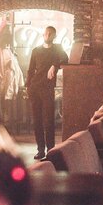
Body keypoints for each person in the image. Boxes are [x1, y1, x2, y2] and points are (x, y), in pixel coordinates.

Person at [26, 25, 69, 160]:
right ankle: (40, 150)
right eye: (46, 33)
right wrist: (28, 87)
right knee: (37, 121)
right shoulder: (36, 50)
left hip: (47, 89)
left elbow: (65, 59)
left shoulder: (57, 49)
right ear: (43, 34)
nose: (48, 35)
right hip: (34, 88)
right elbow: (30, 70)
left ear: (54, 36)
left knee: (49, 120)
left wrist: (54, 66)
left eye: (51, 34)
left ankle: (50, 150)